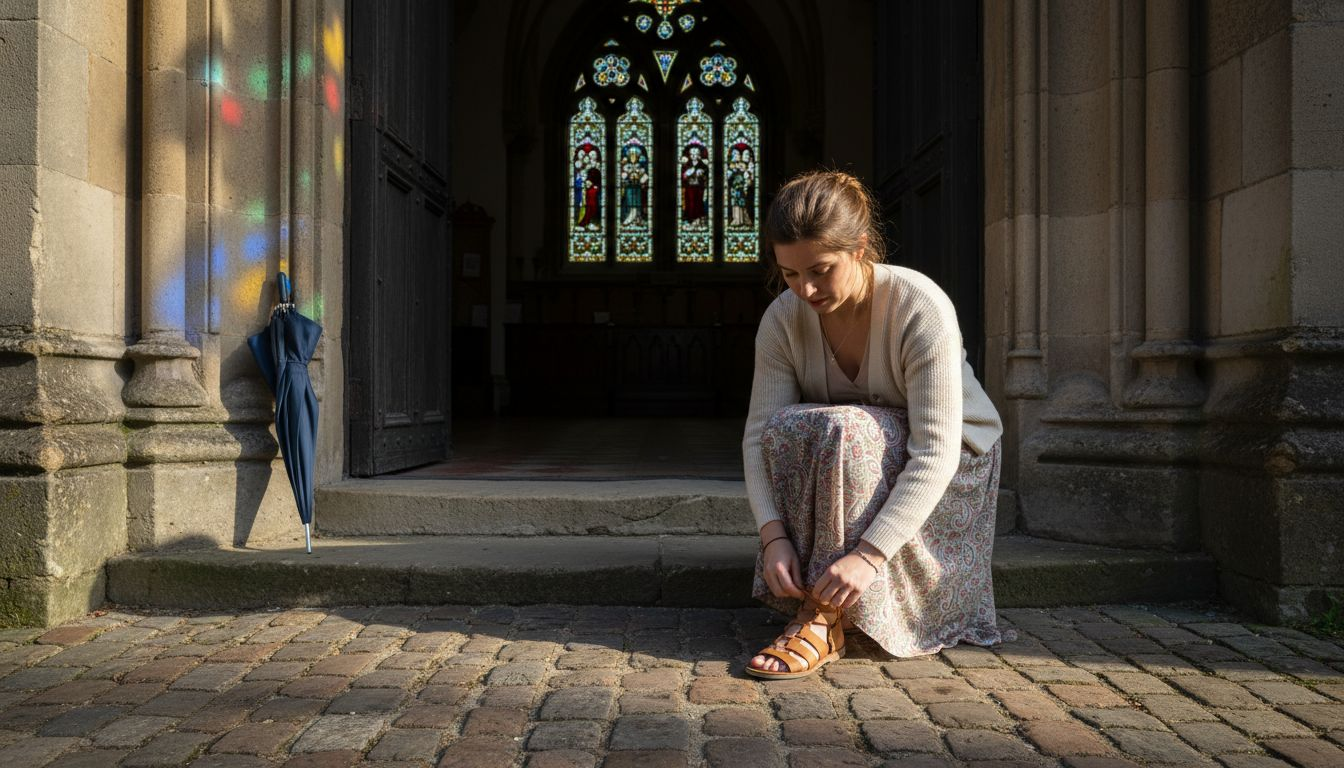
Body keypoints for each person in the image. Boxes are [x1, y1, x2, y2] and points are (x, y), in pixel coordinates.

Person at [742, 170, 1012, 680]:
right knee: (791, 427)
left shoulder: (918, 305)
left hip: (952, 464)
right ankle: (820, 593)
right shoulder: (782, 318)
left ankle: (822, 617)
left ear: (861, 248)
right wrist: (772, 536)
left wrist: (869, 555)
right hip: (857, 452)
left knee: (848, 430)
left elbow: (936, 452)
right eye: (791, 274)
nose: (806, 289)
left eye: (821, 270)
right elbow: (759, 435)